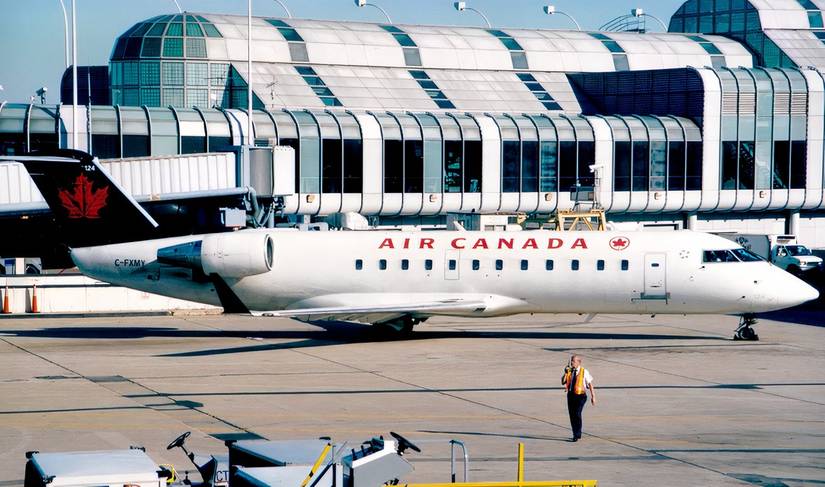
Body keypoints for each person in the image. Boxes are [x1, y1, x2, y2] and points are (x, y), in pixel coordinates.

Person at [561, 354, 595, 442]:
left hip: (581, 396)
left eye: (574, 361)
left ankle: (577, 433)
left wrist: (593, 396)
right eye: (571, 361)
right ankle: (575, 434)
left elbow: (590, 384)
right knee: (572, 415)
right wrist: (565, 372)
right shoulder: (569, 371)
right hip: (571, 395)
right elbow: (563, 382)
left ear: (579, 362)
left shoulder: (584, 371)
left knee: (577, 413)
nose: (572, 363)